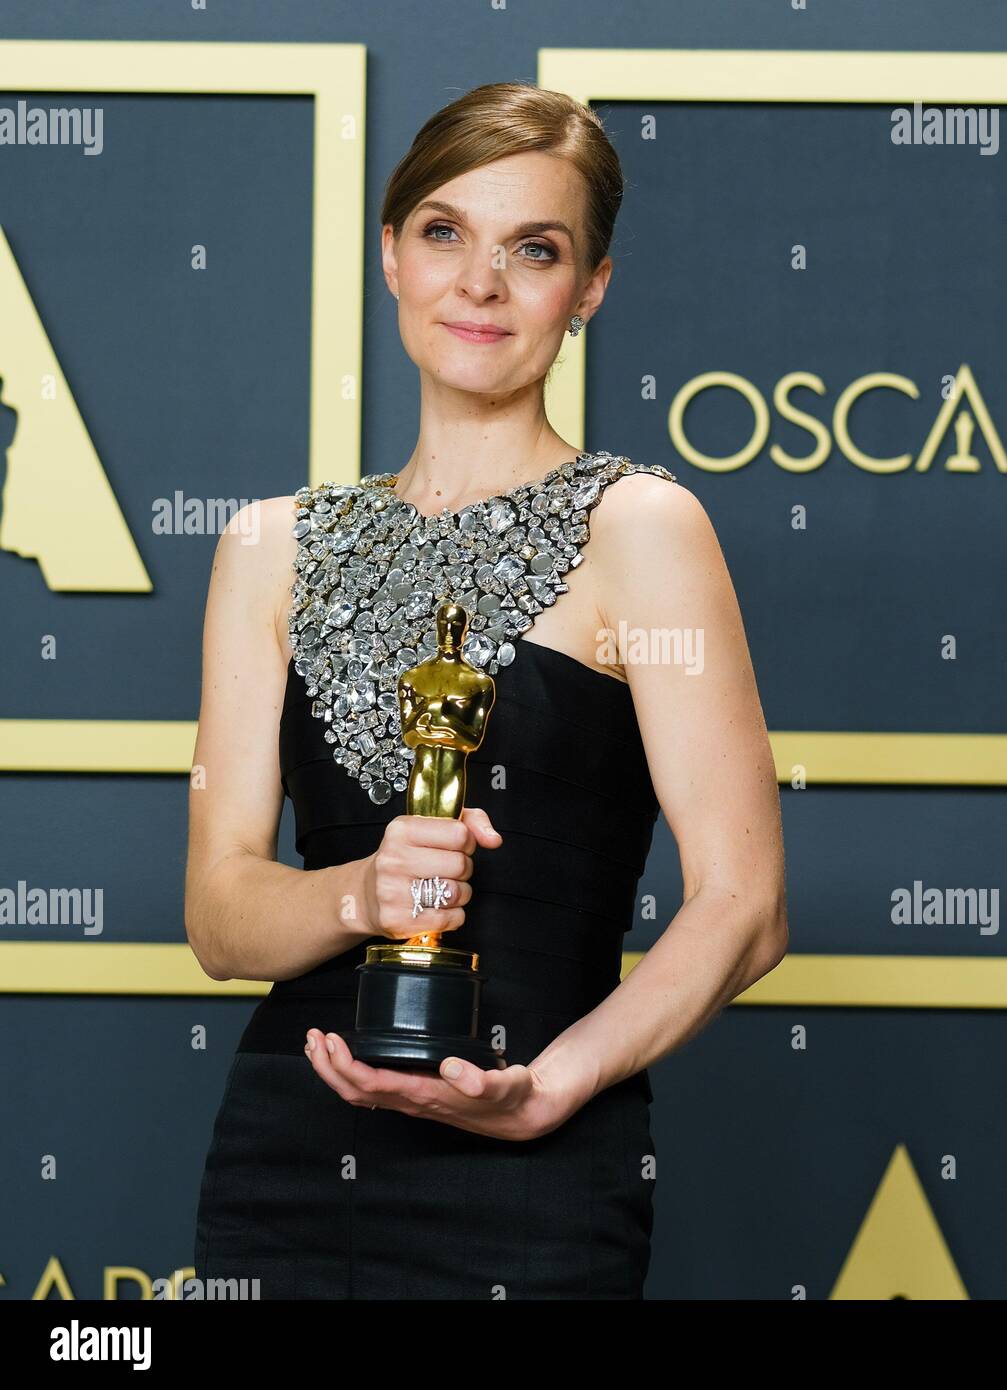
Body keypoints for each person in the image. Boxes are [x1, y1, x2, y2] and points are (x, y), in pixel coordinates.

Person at [186, 80, 787, 1300]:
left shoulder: (644, 527)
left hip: (537, 1166)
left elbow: (745, 902)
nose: (482, 282)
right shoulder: (269, 545)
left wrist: (550, 1088)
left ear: (590, 291)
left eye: (535, 249)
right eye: (445, 232)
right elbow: (218, 914)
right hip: (288, 1160)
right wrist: (361, 891)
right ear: (391, 256)